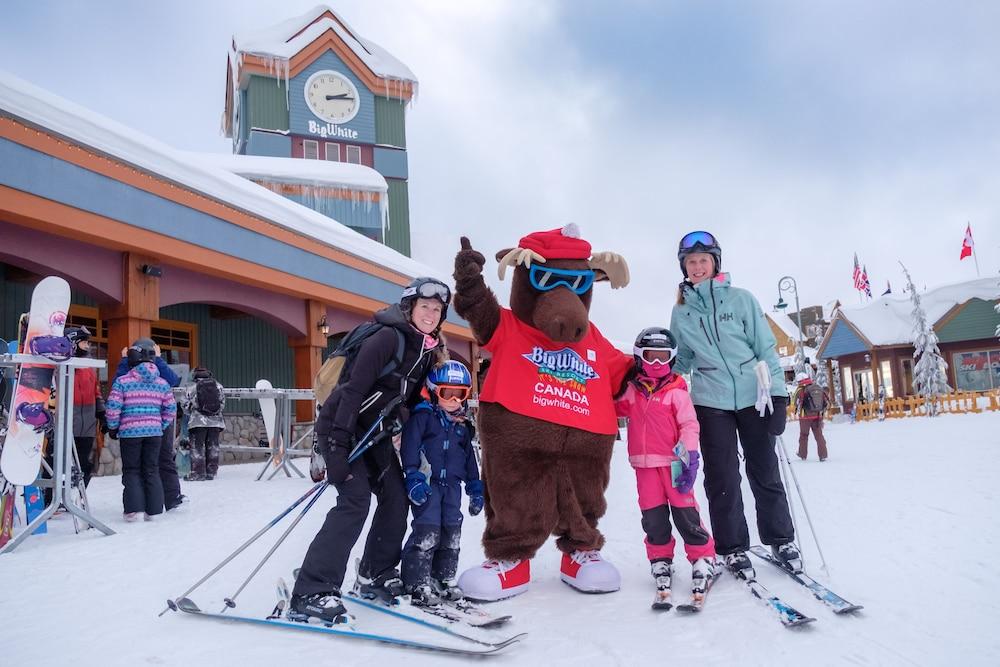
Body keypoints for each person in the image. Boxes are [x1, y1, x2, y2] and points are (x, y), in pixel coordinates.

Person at [289, 277, 450, 623]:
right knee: (355, 500)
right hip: (341, 429)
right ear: (410, 307)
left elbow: (406, 399)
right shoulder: (385, 338)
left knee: (396, 497)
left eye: (437, 309)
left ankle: (374, 573)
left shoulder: (425, 350)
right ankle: (311, 590)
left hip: (374, 435)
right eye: (425, 306)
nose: (430, 313)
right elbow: (350, 393)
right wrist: (335, 449)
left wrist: (402, 419)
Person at [670, 230, 800, 575]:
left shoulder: (741, 299)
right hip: (710, 400)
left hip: (753, 396)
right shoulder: (681, 312)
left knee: (765, 470)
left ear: (715, 263)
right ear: (684, 267)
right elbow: (682, 359)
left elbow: (764, 348)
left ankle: (781, 538)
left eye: (703, 260)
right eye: (691, 262)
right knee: (722, 477)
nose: (697, 267)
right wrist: (657, 371)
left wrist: (778, 395)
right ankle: (733, 547)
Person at [615, 327, 716, 606]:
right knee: (653, 517)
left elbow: (689, 425)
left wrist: (689, 458)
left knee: (685, 513)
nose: (657, 364)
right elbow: (613, 406)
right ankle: (660, 559)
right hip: (644, 467)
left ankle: (703, 557)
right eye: (651, 357)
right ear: (639, 358)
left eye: (663, 358)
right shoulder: (633, 392)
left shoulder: (676, 391)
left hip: (674, 465)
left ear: (671, 359)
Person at [400, 360, 483, 606]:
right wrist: (413, 478)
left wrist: (475, 488)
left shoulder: (461, 427)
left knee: (451, 533)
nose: (454, 400)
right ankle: (417, 581)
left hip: (453, 489)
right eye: (448, 393)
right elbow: (410, 448)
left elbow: (470, 460)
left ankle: (443, 577)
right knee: (426, 533)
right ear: (434, 390)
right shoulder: (423, 418)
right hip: (428, 486)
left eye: (461, 394)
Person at [106, 346, 177, 521]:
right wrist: (161, 425)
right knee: (152, 469)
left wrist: (113, 427)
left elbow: (113, 407)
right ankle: (153, 512)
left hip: (130, 433)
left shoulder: (123, 382)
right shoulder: (162, 383)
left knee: (132, 470)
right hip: (154, 433)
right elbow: (171, 408)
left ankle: (133, 511)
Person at [67, 326, 104, 487]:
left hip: (87, 426)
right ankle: (52, 498)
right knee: (60, 462)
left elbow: (96, 391)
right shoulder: (62, 367)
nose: (88, 346)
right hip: (67, 424)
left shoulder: (89, 367)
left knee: (84, 464)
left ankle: (78, 496)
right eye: (84, 343)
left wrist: (102, 412)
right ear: (73, 343)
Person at [182, 367, 226, 481]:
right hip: (216, 422)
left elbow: (184, 405)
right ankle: (211, 472)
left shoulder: (190, 387)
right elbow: (222, 404)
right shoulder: (218, 386)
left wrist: (193, 411)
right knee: (213, 447)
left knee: (197, 447)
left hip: (197, 421)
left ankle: (198, 473)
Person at [793, 373, 829, 461]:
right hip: (817, 415)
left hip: (804, 416)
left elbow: (795, 402)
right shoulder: (817, 387)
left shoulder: (800, 389)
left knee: (804, 435)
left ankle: (802, 454)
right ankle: (823, 455)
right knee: (819, 435)